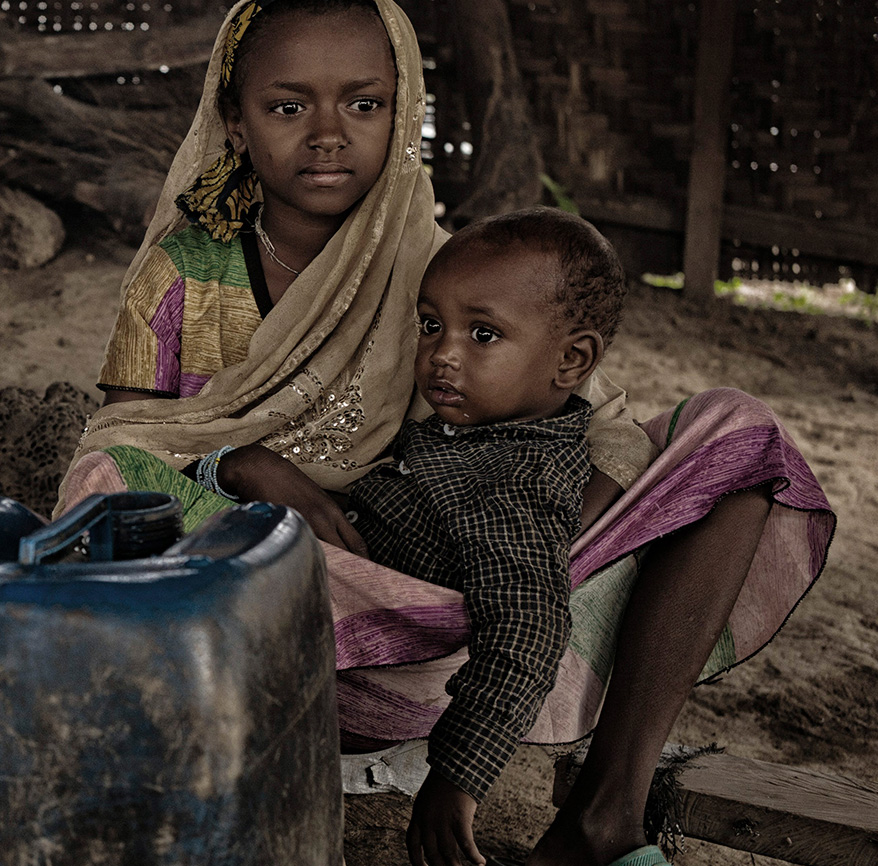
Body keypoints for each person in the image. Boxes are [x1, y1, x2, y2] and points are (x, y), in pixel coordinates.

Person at [55, 2, 837, 865]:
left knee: (735, 435)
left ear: (405, 110)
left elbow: (594, 415)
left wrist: (531, 532)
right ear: (233, 124)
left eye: (364, 104)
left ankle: (604, 814)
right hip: (288, 588)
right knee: (105, 482)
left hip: (467, 597)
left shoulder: (435, 264)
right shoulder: (181, 272)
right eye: (287, 107)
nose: (328, 135)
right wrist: (242, 462)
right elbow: (130, 443)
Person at [338, 207, 628, 819]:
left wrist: (457, 778)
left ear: (572, 362)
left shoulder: (515, 482)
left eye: (483, 335)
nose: (443, 354)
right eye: (431, 325)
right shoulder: (465, 432)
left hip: (375, 667)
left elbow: (526, 631)